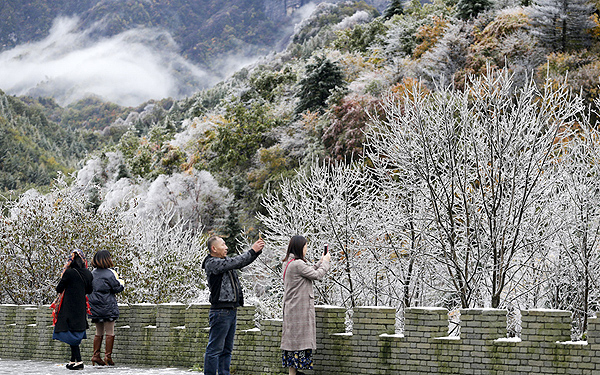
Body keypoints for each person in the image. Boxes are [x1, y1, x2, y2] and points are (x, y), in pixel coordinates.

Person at [202, 235, 265, 375]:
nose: (226, 247)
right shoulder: (212, 263)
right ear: (214, 248)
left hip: (231, 311)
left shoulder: (225, 261)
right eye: (223, 244)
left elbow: (239, 262)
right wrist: (252, 251)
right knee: (214, 350)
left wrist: (256, 251)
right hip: (220, 312)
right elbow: (236, 262)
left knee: (227, 350)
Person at [280, 235, 330, 375]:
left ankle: (293, 373)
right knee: (298, 344)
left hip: (292, 310)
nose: (306, 249)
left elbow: (309, 271)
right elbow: (316, 275)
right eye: (305, 246)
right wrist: (326, 263)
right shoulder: (297, 264)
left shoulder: (289, 262)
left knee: (292, 345)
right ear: (299, 247)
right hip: (298, 311)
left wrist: (320, 261)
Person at [51, 249, 94, 370]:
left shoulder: (69, 273)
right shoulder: (88, 274)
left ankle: (79, 361)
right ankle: (72, 360)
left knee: (70, 334)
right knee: (75, 332)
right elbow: (89, 290)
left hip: (68, 307)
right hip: (80, 307)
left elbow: (59, 288)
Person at [88, 250, 125, 366]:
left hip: (94, 306)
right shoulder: (110, 273)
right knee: (110, 331)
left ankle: (96, 355)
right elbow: (116, 288)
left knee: (98, 332)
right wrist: (122, 283)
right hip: (107, 306)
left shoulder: (91, 274)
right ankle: (108, 356)